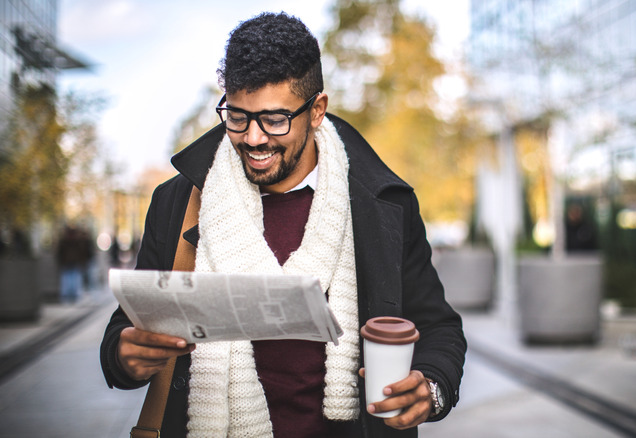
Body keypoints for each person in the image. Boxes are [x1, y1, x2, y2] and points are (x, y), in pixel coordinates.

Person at [100, 12, 466, 438]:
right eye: (237, 116)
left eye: (275, 120)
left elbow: (438, 327)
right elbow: (126, 326)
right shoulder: (178, 200)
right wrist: (123, 356)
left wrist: (431, 388)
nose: (254, 138)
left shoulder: (382, 204)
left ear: (316, 111)